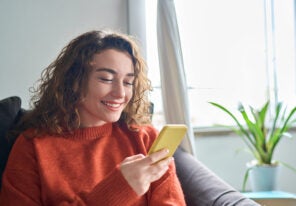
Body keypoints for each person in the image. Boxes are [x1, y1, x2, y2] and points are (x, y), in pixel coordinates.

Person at [0, 30, 186, 205]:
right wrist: (117, 189)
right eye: (106, 79)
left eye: (128, 82)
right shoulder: (32, 146)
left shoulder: (146, 139)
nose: (120, 93)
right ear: (74, 81)